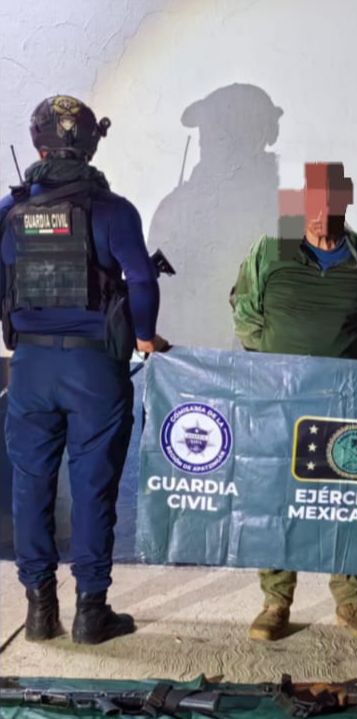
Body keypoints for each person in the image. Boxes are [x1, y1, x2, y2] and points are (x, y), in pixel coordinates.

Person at [0, 95, 167, 645]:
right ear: (92, 144)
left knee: (30, 485)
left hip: (29, 366)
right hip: (95, 367)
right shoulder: (113, 210)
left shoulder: (9, 210)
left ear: (38, 146)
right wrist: (145, 336)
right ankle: (91, 613)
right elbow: (141, 280)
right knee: (94, 489)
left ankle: (39, 610)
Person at [230, 162, 357, 641]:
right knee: (277, 498)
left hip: (344, 400)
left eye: (330, 203)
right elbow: (245, 315)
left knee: (346, 498)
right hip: (279, 399)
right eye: (312, 203)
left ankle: (349, 602)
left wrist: (336, 360)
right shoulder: (270, 249)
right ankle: (276, 602)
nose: (320, 213)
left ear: (346, 202)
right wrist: (280, 366)